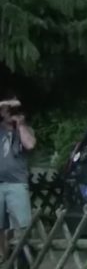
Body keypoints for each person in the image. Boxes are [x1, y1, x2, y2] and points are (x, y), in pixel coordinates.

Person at [0, 97, 35, 258]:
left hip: (17, 184)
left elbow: (30, 144)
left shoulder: (25, 129)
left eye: (13, 111)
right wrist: (5, 104)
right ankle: (3, 257)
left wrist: (20, 125)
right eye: (6, 110)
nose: (9, 114)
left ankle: (23, 259)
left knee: (22, 226)